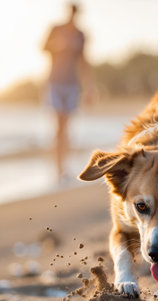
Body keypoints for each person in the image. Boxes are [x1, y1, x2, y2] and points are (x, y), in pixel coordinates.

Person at [43, 3, 94, 182]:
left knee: (66, 128)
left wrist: (89, 87)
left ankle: (64, 168)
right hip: (55, 82)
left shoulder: (81, 35)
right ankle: (57, 170)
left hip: (72, 84)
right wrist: (59, 46)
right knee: (58, 127)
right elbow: (43, 48)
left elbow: (84, 60)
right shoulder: (55, 29)